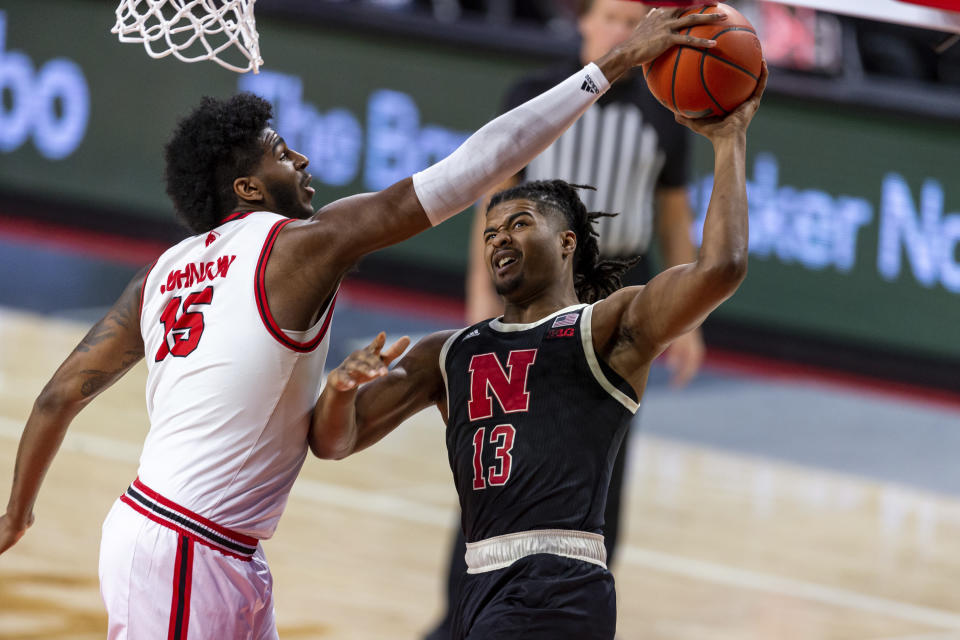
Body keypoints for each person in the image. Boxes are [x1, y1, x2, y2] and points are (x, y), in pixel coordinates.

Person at [0, 8, 726, 639]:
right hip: (192, 543)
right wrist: (606, 69)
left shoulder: (161, 273)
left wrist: (16, 514)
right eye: (282, 153)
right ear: (249, 188)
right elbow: (472, 167)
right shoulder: (302, 246)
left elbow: (59, 396)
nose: (303, 157)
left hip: (190, 539)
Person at [312, 63, 766, 639]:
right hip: (481, 587)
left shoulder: (609, 327)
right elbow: (335, 441)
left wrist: (729, 141)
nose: (500, 237)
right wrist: (338, 390)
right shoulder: (448, 354)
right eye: (491, 231)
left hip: (559, 586)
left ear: (567, 242)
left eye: (519, 223)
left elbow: (721, 267)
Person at [431, 1, 709, 634]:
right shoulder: (538, 96)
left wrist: (690, 319)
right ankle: (460, 618)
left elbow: (672, 213)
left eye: (631, 19)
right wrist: (481, 302)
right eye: (610, 17)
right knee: (499, 476)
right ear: (582, 22)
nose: (621, 31)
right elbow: (492, 205)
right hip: (537, 295)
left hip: (615, 304)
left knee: (601, 476)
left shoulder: (662, 112)